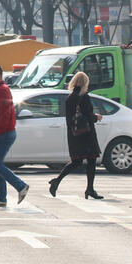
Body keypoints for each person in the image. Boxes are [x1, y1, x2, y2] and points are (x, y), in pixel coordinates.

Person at [48, 71, 103, 199]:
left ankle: (57, 181)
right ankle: (89, 189)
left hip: (74, 135)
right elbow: (89, 116)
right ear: (85, 83)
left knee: (76, 161)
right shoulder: (84, 97)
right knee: (91, 161)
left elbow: (71, 118)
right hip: (87, 134)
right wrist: (96, 117)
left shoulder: (70, 98)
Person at [0, 64, 29, 207]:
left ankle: (21, 186)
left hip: (3, 133)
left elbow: (5, 113)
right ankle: (1, 198)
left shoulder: (2, 90)